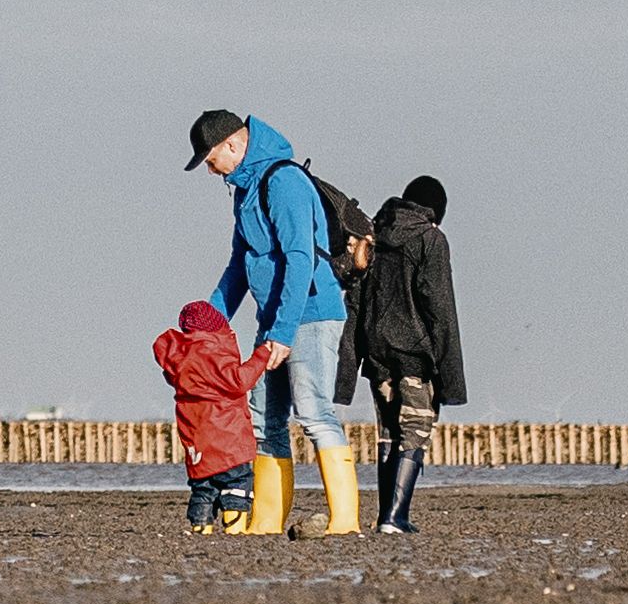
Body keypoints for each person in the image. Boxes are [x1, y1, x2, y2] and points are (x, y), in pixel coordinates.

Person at [190, 105, 364, 539]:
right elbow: (238, 265)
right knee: (263, 419)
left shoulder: (283, 181)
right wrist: (205, 326)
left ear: (233, 144)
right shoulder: (243, 192)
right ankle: (267, 521)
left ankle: (344, 521)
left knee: (314, 414)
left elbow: (300, 259)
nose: (212, 171)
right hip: (273, 321)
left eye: (212, 160)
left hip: (310, 315)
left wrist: (283, 333)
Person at [346, 175, 467, 535]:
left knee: (388, 433)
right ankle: (394, 518)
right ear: (435, 212)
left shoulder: (376, 235)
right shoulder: (431, 239)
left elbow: (357, 298)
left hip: (378, 354)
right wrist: (449, 374)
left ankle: (388, 514)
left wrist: (353, 358)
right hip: (415, 356)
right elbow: (440, 308)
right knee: (414, 431)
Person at [156, 300, 258, 529]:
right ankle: (235, 527)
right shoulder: (216, 356)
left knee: (203, 489)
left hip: (197, 448)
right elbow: (240, 381)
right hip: (229, 445)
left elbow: (173, 377)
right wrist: (262, 356)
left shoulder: (181, 363)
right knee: (237, 483)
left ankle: (201, 526)